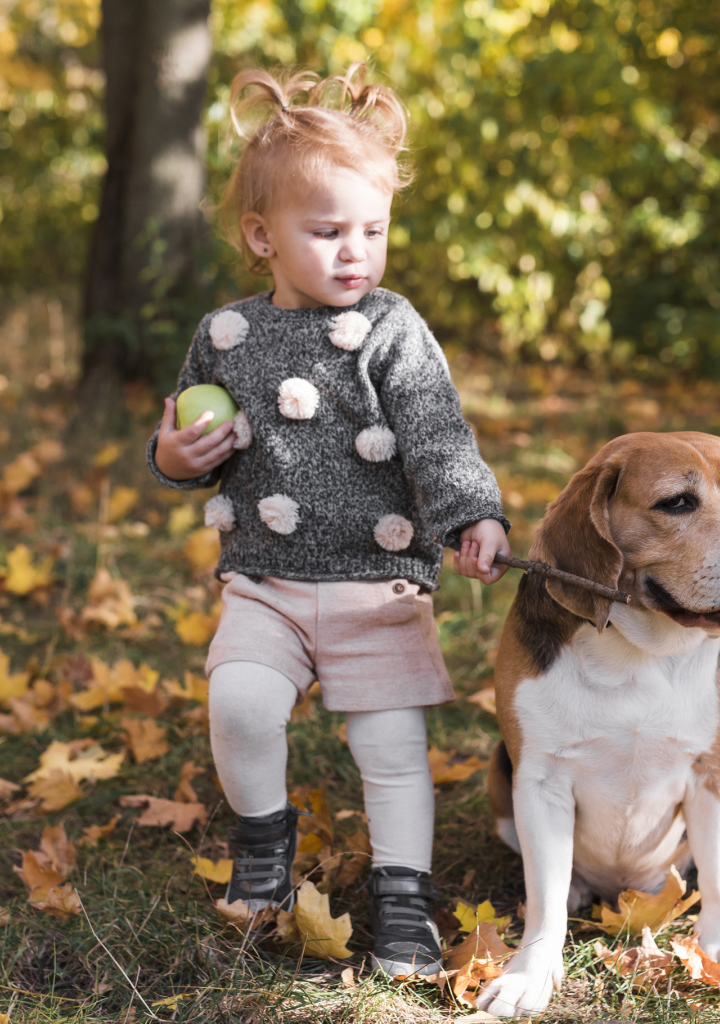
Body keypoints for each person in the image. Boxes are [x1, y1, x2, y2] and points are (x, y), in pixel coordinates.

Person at [146, 64, 510, 978]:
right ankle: (265, 846)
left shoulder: (391, 327)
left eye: (373, 230)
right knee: (238, 703)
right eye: (327, 231)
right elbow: (193, 441)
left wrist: (473, 513)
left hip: (376, 585)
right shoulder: (224, 334)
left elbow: (436, 433)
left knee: (391, 751)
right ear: (262, 236)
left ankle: (401, 902)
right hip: (263, 582)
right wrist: (174, 460)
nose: (356, 251)